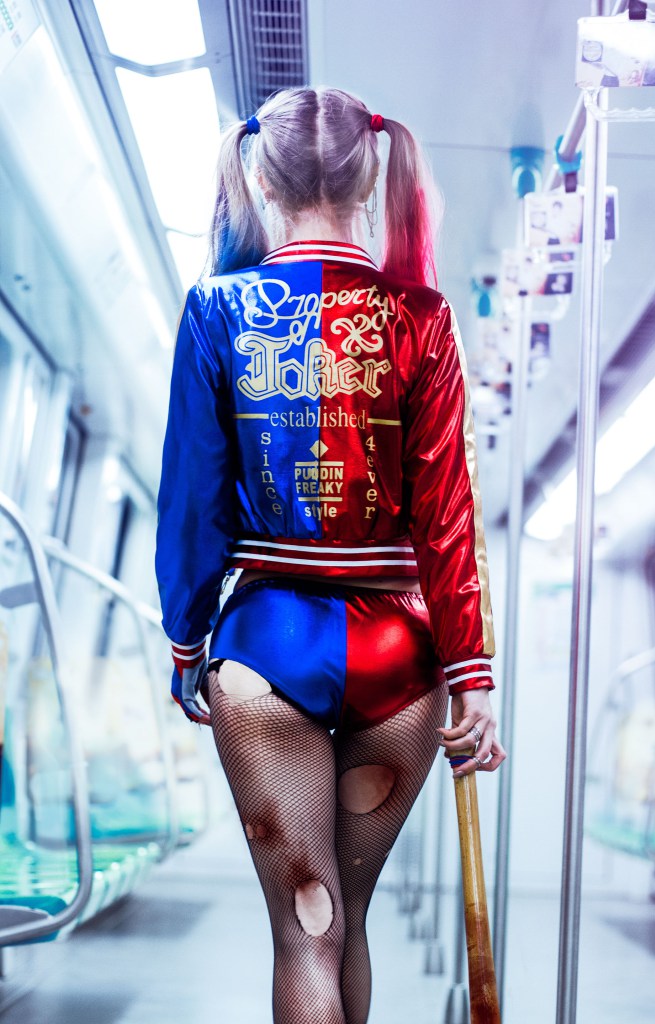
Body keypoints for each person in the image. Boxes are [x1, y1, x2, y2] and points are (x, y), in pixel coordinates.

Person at [155, 86, 505, 1024]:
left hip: (266, 648)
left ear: (261, 181)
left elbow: (192, 501)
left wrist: (187, 641)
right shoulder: (422, 315)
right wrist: (470, 673)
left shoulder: (215, 309)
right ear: (371, 176)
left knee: (305, 927)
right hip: (398, 654)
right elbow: (446, 514)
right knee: (349, 918)